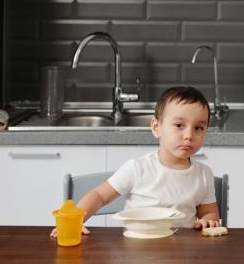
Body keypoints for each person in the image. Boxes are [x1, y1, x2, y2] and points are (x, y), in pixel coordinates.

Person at [51, 86, 222, 236]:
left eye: (198, 128)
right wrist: (75, 221)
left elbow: (209, 212)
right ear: (156, 128)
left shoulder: (203, 174)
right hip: (137, 251)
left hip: (182, 256)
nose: (189, 135)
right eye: (179, 125)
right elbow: (100, 196)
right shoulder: (138, 168)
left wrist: (208, 221)